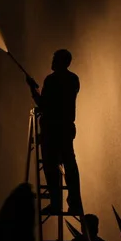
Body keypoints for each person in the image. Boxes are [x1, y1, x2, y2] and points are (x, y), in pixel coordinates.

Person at [26, 49, 81, 214]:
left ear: (59, 61)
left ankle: (56, 203)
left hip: (52, 130)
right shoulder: (73, 79)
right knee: (70, 166)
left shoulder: (51, 80)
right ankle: (74, 203)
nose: (52, 61)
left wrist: (32, 88)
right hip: (66, 128)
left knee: (50, 166)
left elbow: (43, 105)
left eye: (54, 59)